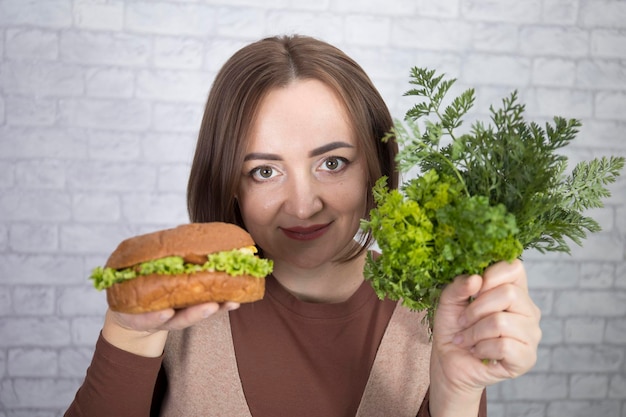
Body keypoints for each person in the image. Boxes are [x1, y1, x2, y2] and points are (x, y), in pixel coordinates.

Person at [65, 34, 541, 417]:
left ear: (374, 166)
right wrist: (127, 332)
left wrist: (456, 394)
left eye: (332, 162)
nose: (303, 204)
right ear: (230, 184)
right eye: (264, 171)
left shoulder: (438, 317)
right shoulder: (173, 314)